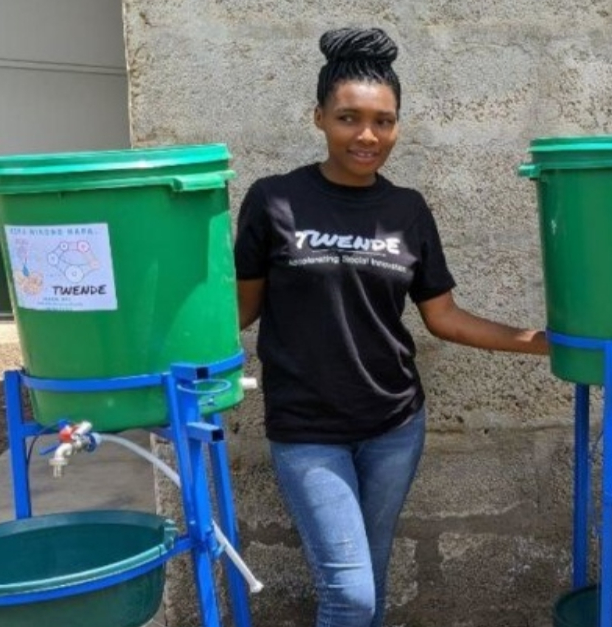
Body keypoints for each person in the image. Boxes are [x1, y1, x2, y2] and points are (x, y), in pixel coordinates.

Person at [233, 27, 548, 627]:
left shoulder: (407, 209)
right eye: (349, 118)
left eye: (384, 121)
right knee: (349, 596)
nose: (368, 136)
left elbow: (444, 316)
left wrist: (538, 342)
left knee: (369, 584)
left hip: (394, 426)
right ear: (320, 117)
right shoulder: (274, 201)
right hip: (306, 430)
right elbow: (241, 312)